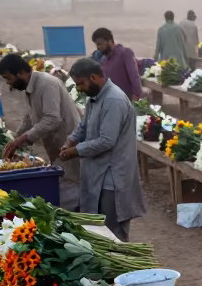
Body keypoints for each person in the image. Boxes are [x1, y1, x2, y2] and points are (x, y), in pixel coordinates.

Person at [60, 58, 146, 242]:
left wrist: (76, 151)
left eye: (81, 83)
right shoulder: (94, 97)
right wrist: (72, 140)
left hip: (113, 175)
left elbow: (107, 141)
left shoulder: (113, 100)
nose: (80, 89)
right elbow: (84, 124)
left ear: (94, 77)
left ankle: (121, 267)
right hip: (98, 171)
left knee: (113, 233)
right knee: (99, 230)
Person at [0, 54, 82, 208]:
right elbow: (31, 117)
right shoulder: (31, 87)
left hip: (69, 144)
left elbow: (52, 119)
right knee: (66, 188)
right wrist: (15, 139)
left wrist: (23, 139)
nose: (9, 84)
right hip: (58, 147)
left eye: (9, 78)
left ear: (21, 72)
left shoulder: (45, 84)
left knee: (72, 192)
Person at [91, 27, 143, 101]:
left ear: (109, 41)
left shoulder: (125, 53)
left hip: (126, 101)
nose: (98, 47)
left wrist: (137, 95)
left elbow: (134, 76)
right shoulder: (106, 59)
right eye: (97, 45)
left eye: (100, 44)